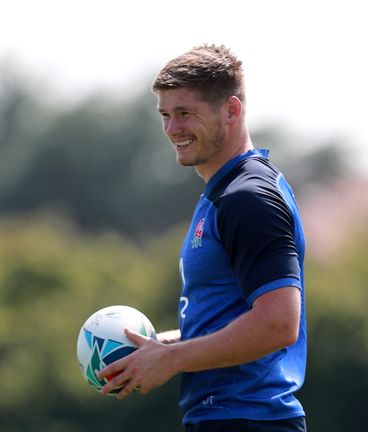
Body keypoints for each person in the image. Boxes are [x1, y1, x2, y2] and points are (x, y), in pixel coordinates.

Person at [98, 44, 307, 432]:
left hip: (248, 420)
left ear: (231, 110)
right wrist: (162, 349)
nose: (172, 129)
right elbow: (234, 316)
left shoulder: (248, 198)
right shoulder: (223, 194)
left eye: (185, 113)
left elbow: (278, 323)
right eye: (165, 115)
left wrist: (173, 360)